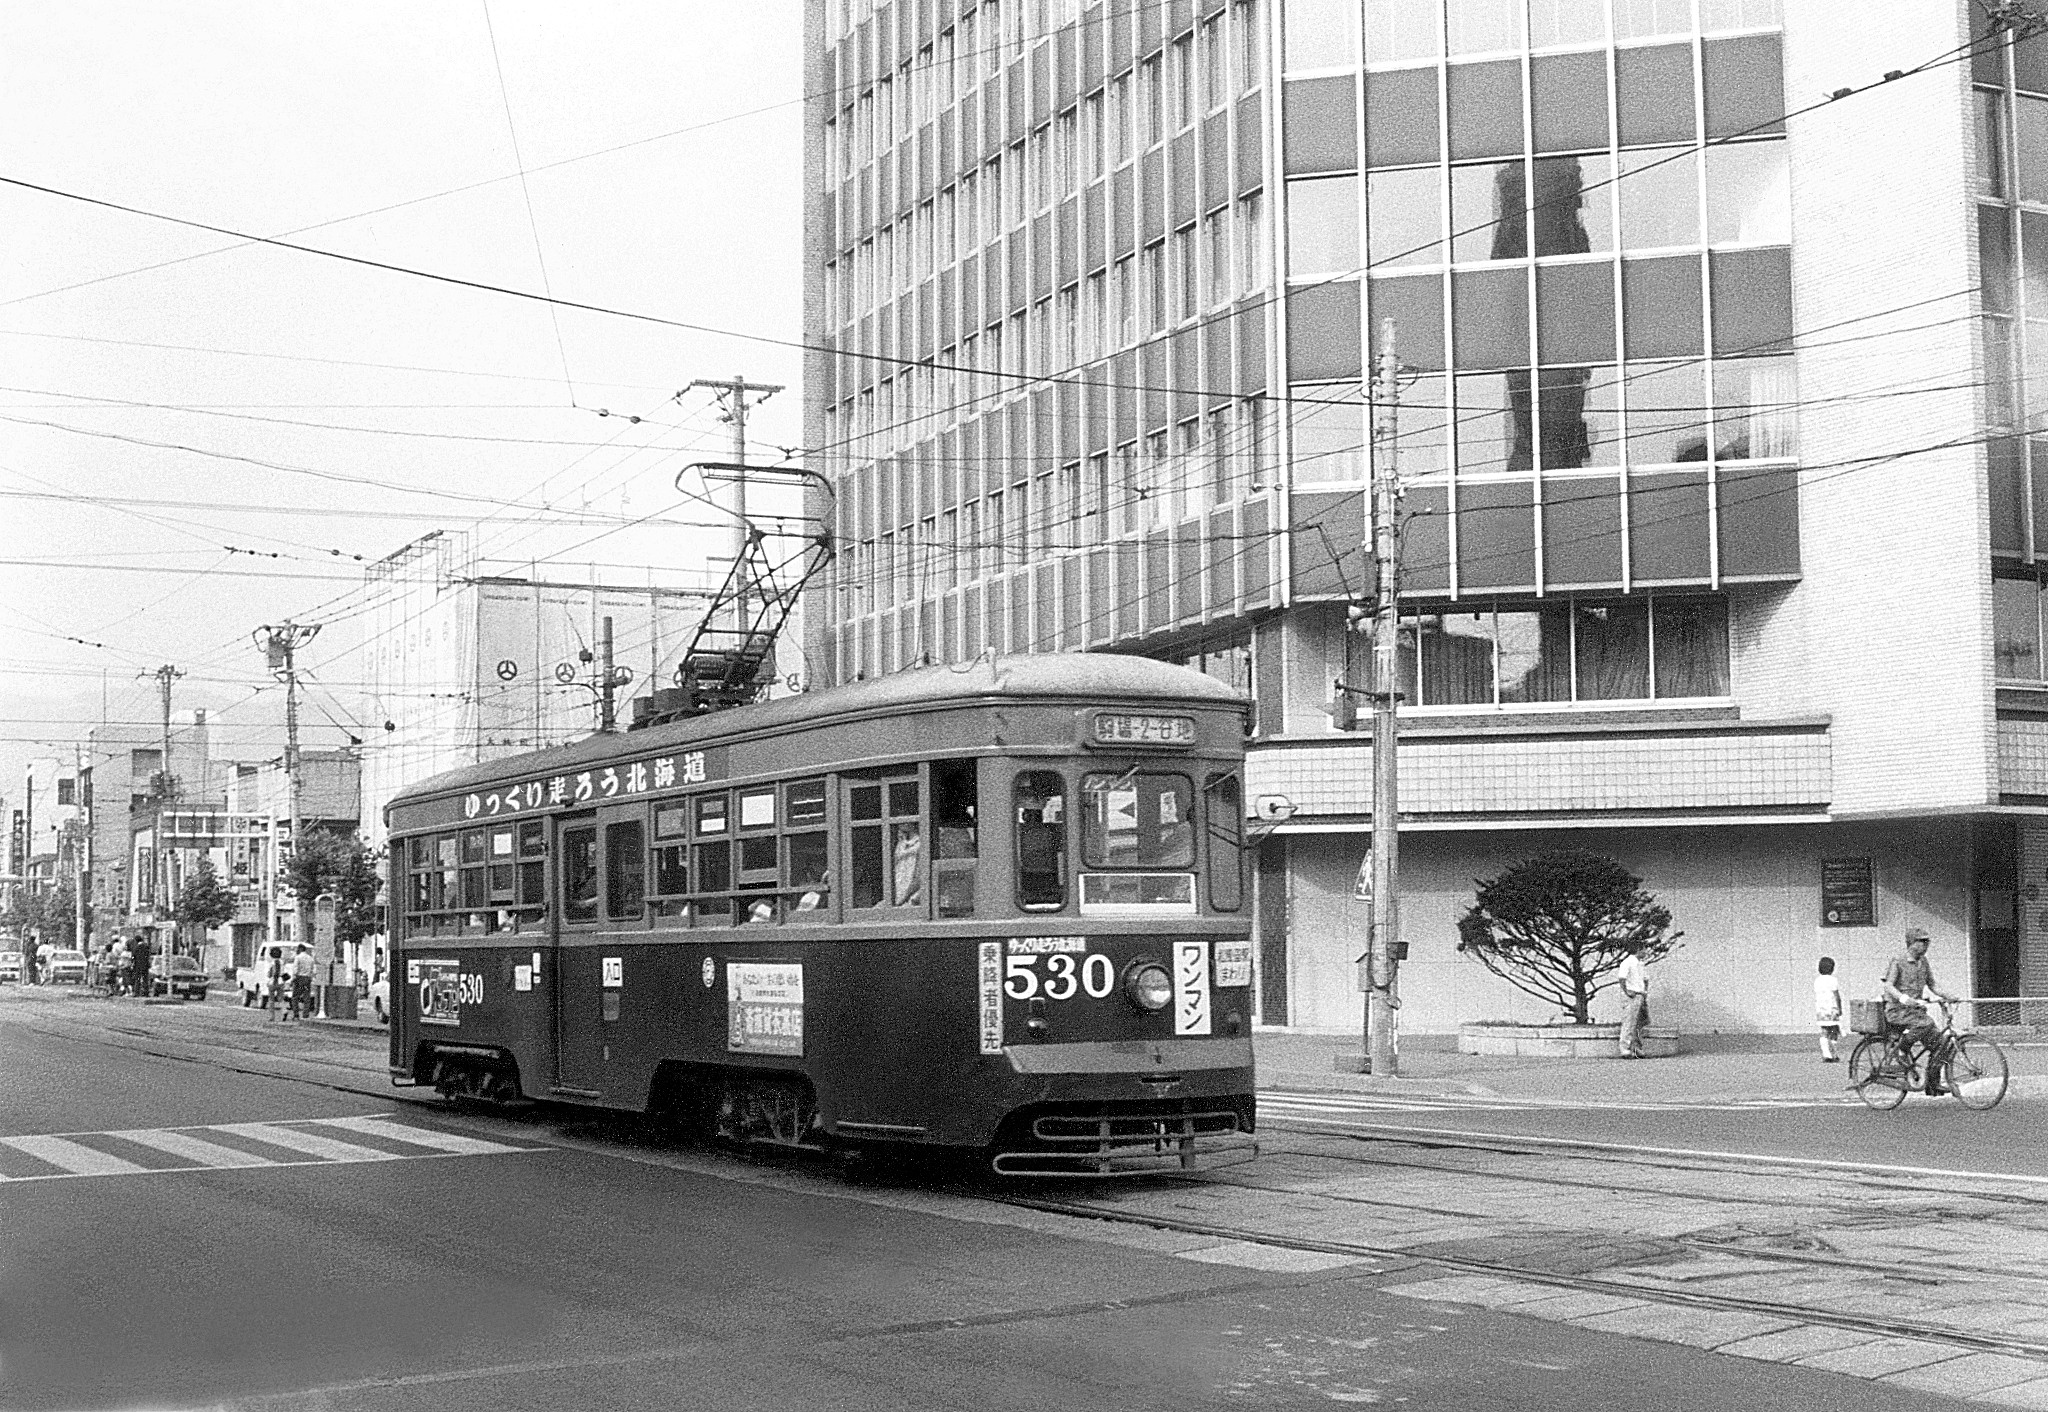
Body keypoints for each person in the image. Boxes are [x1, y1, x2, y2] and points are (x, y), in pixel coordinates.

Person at [1883, 926, 1957, 1097]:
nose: (1926, 945)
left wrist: (1949, 995)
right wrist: (1903, 998)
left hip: (1915, 1012)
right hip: (1898, 1010)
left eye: (1927, 941)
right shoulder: (1898, 961)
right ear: (1911, 943)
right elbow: (1888, 985)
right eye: (1922, 941)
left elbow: (1933, 985)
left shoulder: (1923, 962)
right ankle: (1902, 1051)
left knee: (1940, 1043)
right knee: (1927, 1023)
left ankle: (1933, 1084)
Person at [1617, 949, 1650, 1058]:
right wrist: (1627, 991)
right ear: (1638, 949)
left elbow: (1645, 979)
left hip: (1640, 994)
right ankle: (1625, 1048)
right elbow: (1622, 978)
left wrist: (1644, 992)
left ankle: (1637, 1047)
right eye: (1644, 949)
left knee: (1639, 1022)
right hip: (1632, 995)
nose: (1646, 952)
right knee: (1629, 1021)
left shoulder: (1640, 964)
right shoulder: (1627, 962)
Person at [1814, 956, 1844, 1062]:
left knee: (1824, 1032)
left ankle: (1826, 1054)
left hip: (1821, 1010)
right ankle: (1834, 1053)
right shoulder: (1833, 980)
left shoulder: (1817, 981)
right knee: (1834, 1031)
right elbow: (1837, 996)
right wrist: (1840, 1008)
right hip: (1832, 1009)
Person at [290, 942, 315, 1020]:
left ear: (300, 949)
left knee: (295, 997)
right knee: (307, 997)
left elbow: (295, 969)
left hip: (299, 978)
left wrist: (293, 979)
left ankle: (296, 1015)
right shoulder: (310, 958)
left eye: (297, 949)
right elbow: (312, 970)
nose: (297, 950)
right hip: (307, 979)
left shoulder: (298, 957)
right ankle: (305, 1015)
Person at [130, 935, 153, 999]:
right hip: (145, 965)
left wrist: (132, 963)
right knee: (145, 979)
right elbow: (148, 955)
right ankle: (146, 992)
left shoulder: (136, 947)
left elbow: (133, 956)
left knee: (137, 979)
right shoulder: (146, 946)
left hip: (137, 965)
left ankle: (136, 992)